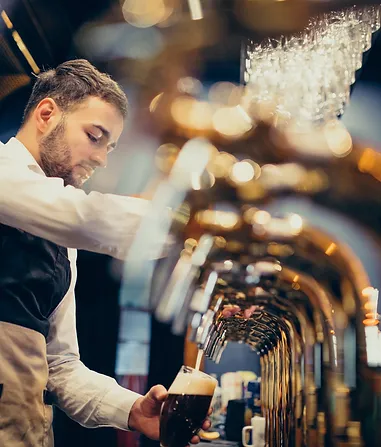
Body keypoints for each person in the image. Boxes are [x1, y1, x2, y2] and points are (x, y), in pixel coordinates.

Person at [0, 59, 211, 446]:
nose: (101, 159)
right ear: (47, 114)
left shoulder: (62, 242)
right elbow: (81, 217)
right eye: (95, 136)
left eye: (110, 147)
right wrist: (198, 224)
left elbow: (60, 367)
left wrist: (131, 410)